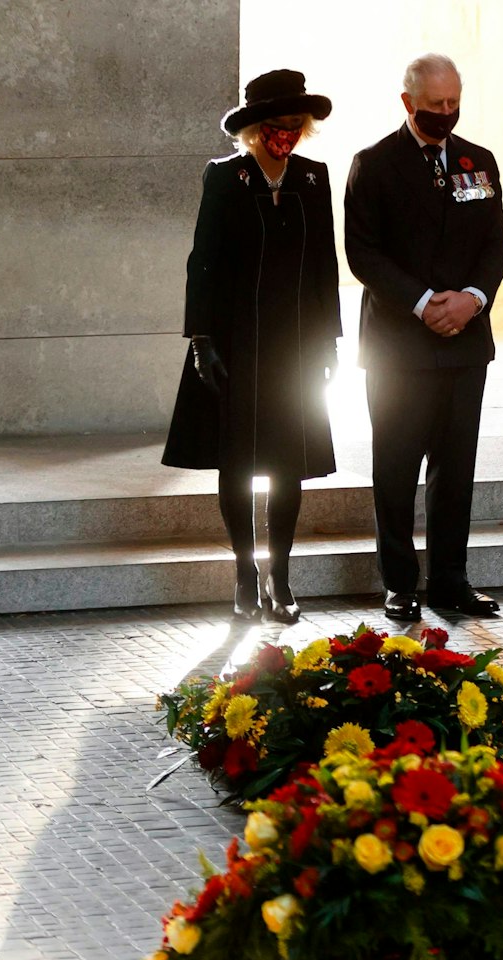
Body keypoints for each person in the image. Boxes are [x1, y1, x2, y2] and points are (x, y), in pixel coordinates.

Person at [163, 69, 341, 624]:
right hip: (235, 344)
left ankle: (279, 578)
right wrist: (201, 339)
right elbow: (202, 262)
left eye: (295, 124)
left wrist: (330, 341)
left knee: (289, 464)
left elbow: (325, 265)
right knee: (238, 464)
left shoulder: (313, 178)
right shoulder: (225, 177)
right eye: (275, 125)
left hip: (296, 346)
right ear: (255, 128)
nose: (285, 134)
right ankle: (245, 574)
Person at [344, 53, 503, 620]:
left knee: (455, 468)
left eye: (453, 102)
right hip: (400, 345)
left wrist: (473, 298)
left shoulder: (477, 161)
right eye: (435, 103)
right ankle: (399, 583)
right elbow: (363, 253)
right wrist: (423, 303)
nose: (446, 112)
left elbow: (497, 242)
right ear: (408, 102)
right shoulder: (373, 164)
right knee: (395, 467)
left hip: (465, 341)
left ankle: (450, 580)